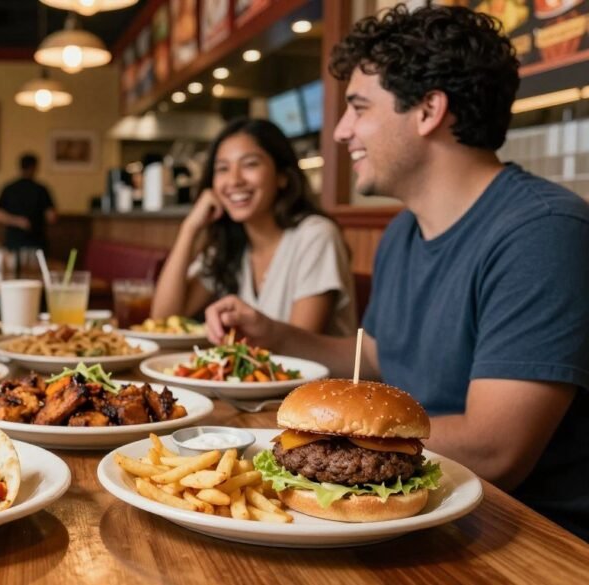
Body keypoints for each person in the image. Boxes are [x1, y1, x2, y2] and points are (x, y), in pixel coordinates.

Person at [205, 4, 589, 541]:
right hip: (418, 521)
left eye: (358, 108)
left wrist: (297, 434)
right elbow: (377, 358)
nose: (341, 132)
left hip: (524, 536)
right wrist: (274, 335)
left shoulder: (542, 233)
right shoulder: (403, 231)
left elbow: (495, 450)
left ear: (429, 110)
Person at [153, 118, 355, 336]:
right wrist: (189, 228)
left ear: (282, 176)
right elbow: (163, 321)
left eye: (250, 164)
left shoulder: (316, 236)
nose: (234, 180)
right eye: (222, 168)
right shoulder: (229, 246)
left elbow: (299, 346)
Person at [0, 153, 57, 251]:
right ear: (34, 167)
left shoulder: (9, 188)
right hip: (36, 242)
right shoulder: (41, 189)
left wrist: (16, 221)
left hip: (13, 242)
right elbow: (51, 217)